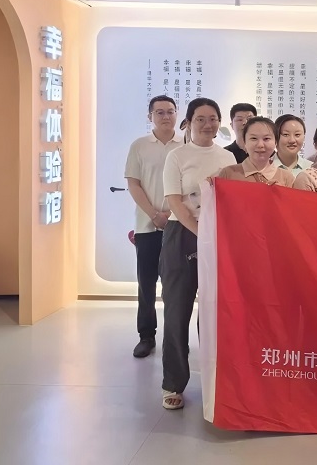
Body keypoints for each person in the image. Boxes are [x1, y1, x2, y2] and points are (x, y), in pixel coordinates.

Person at [160, 98, 236, 410]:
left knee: (214, 313)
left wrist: (214, 235)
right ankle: (173, 382)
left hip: (218, 237)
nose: (208, 124)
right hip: (182, 235)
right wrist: (200, 232)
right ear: (189, 122)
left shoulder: (228, 157)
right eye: (201, 118)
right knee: (177, 312)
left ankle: (215, 380)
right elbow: (174, 201)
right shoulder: (177, 156)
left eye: (213, 118)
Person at [124, 95, 183, 359]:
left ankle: (175, 338)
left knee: (175, 285)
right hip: (147, 226)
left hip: (179, 225)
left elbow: (190, 186)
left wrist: (172, 213)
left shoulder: (186, 144)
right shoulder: (139, 146)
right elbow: (133, 184)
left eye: (170, 111)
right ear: (150, 117)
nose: (166, 116)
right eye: (159, 112)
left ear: (177, 114)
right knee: (146, 283)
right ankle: (146, 336)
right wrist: (154, 214)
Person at [215, 117, 295, 187]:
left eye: (266, 139)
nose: (260, 145)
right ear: (245, 142)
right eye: (253, 138)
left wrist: (282, 193)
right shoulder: (228, 174)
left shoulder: (287, 177)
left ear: (276, 142)